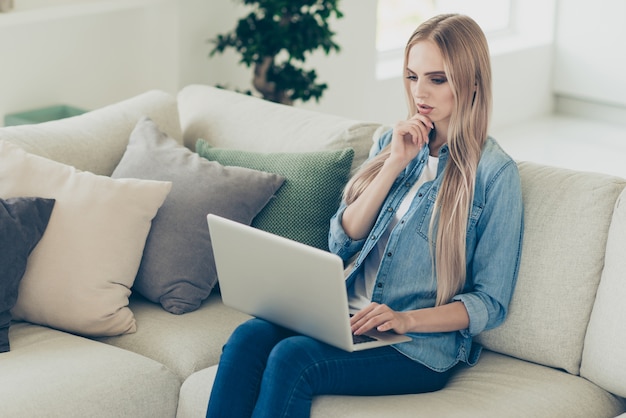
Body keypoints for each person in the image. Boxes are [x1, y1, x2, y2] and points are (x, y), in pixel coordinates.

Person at [206, 13, 524, 418]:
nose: (420, 93)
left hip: (414, 347)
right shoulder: (392, 142)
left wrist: (405, 319)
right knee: (248, 337)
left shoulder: (494, 175)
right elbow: (341, 242)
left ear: (473, 81)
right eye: (412, 77)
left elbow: (490, 303)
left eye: (437, 79)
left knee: (292, 359)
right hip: (345, 316)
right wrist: (393, 164)